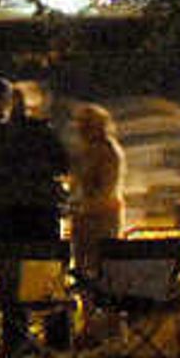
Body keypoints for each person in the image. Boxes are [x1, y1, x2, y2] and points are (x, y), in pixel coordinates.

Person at [0, 83, 72, 351]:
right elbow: (63, 164)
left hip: (7, 216)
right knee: (48, 276)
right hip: (41, 214)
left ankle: (15, 337)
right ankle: (57, 337)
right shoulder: (43, 132)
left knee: (11, 279)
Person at [67, 103, 124, 262]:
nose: (81, 129)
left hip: (103, 217)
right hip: (86, 216)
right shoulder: (86, 150)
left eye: (86, 124)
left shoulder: (108, 151)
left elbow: (107, 189)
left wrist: (84, 206)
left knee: (100, 263)